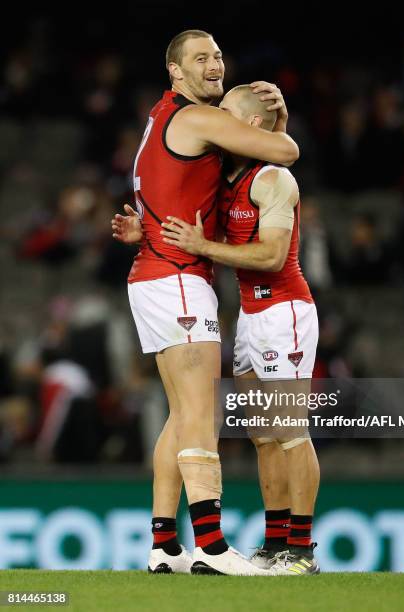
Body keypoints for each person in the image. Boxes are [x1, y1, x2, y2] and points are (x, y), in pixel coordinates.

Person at [114, 29, 299, 576]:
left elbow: (164, 189)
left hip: (155, 274)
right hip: (177, 277)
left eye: (218, 56)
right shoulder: (198, 117)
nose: (214, 65)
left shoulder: (160, 117)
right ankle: (212, 548)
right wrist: (278, 117)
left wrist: (142, 230)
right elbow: (285, 153)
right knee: (199, 415)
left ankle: (165, 545)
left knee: (180, 417)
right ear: (176, 71)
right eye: (201, 58)